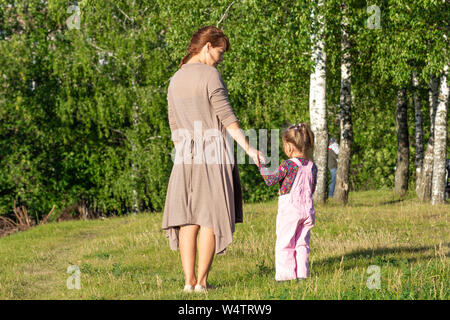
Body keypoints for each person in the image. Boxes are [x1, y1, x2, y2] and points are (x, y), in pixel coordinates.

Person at [162, 26, 264, 293]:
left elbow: (174, 125)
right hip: (212, 153)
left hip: (184, 154)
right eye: (220, 52)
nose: (220, 58)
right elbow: (227, 118)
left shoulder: (175, 79)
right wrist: (249, 149)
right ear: (207, 47)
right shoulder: (210, 75)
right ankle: (202, 283)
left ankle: (188, 283)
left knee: (187, 219)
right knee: (208, 218)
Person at [259, 123, 317, 281]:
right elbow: (312, 187)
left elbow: (271, 180)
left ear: (289, 147)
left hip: (290, 210)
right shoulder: (312, 166)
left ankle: (285, 277)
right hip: (308, 210)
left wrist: (261, 166)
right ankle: (302, 275)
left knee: (285, 242)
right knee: (302, 243)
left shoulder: (288, 165)